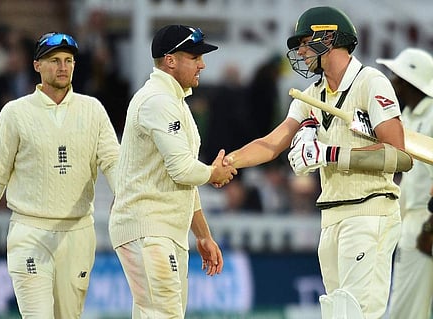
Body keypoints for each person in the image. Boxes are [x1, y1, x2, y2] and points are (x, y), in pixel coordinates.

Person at [223, 6, 413, 319]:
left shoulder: (370, 82)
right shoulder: (312, 94)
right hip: (331, 216)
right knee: (337, 313)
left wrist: (329, 154)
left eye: (304, 41)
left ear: (329, 37)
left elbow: (400, 155)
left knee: (357, 313)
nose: (299, 50)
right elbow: (273, 143)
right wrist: (230, 162)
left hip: (369, 211)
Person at [0, 32, 120, 318]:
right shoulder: (15, 113)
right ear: (37, 65)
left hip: (78, 232)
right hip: (29, 231)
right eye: (55, 60)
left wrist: (122, 194)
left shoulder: (92, 109)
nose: (63, 67)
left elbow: (113, 161)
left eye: (69, 60)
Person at [108, 24, 237, 318]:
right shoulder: (157, 101)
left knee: (157, 313)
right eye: (194, 57)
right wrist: (213, 173)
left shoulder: (175, 101)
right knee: (164, 314)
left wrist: (202, 235)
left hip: (164, 230)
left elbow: (179, 180)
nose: (202, 64)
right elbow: (182, 170)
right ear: (170, 60)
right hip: (148, 228)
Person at [376, 48, 433, 319]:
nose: (392, 81)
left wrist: (430, 228)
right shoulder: (407, 117)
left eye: (396, 76)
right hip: (413, 222)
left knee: (405, 313)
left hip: (425, 223)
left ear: (411, 81)